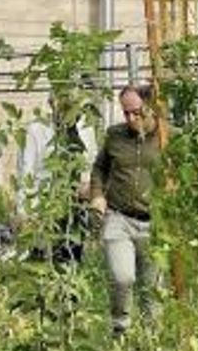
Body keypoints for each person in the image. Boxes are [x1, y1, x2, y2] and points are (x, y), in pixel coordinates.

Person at [89, 84, 161, 334]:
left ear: (151, 108)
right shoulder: (115, 136)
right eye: (126, 113)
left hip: (155, 222)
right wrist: (97, 195)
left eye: (137, 112)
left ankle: (153, 345)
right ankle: (120, 331)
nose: (131, 118)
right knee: (123, 277)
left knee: (152, 290)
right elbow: (99, 168)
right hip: (119, 218)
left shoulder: (167, 136)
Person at [17, 94, 98, 263]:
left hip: (75, 205)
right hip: (44, 206)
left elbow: (91, 162)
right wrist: (25, 212)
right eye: (60, 106)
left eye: (71, 107)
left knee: (71, 256)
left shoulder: (85, 129)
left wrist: (89, 190)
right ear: (52, 105)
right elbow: (26, 171)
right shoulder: (36, 129)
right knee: (42, 256)